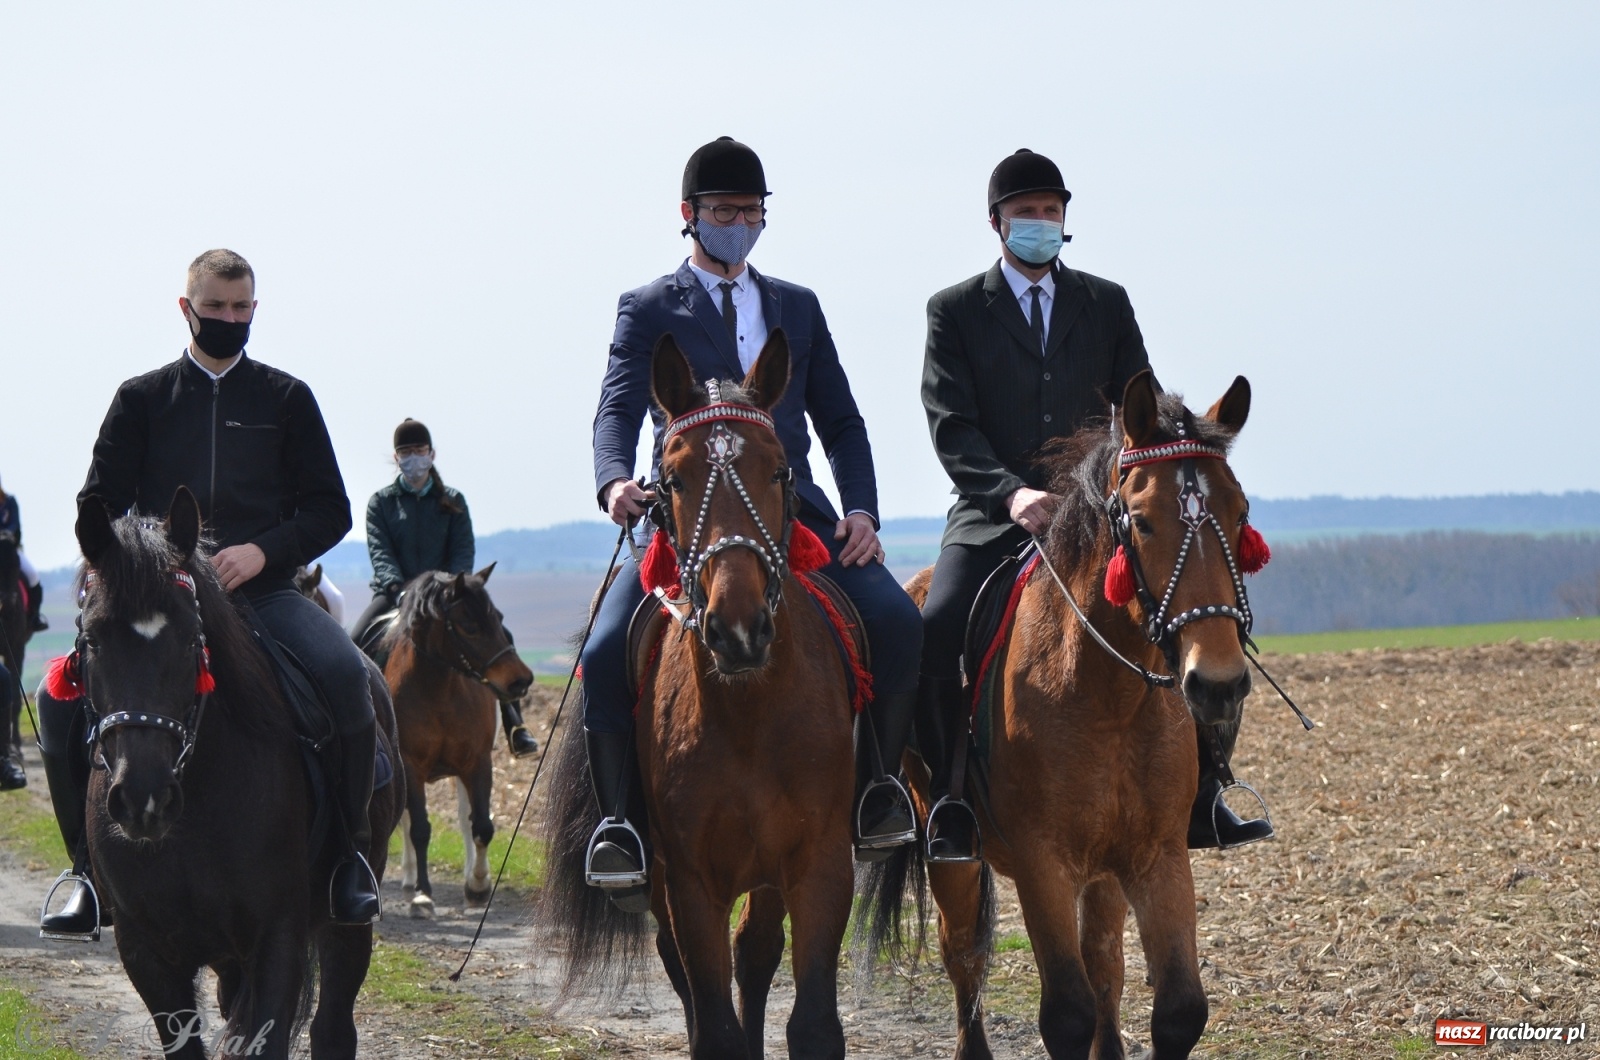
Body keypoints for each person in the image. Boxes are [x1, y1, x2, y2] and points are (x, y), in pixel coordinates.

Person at [583, 136, 923, 902]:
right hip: (684, 511)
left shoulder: (796, 307)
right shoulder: (646, 308)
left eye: (751, 210)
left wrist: (862, 509)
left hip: (784, 507)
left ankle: (878, 793)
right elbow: (616, 411)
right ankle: (620, 828)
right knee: (606, 650)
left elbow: (842, 421)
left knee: (898, 624)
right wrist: (612, 483)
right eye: (724, 210)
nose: (739, 222)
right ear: (689, 216)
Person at [918, 148, 1274, 861]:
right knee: (933, 629)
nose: (1041, 224)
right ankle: (948, 803)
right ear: (998, 223)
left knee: (1186, 615)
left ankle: (1205, 791)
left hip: (1097, 514)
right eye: (1027, 214)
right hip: (995, 515)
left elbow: (1141, 400)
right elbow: (950, 424)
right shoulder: (954, 310)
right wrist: (1011, 493)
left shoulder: (1104, 302)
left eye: (1052, 213)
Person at [37, 248, 382, 939]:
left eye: (241, 307)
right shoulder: (141, 399)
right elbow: (98, 501)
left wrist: (263, 552)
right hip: (158, 600)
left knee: (350, 677)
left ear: (255, 309)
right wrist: (147, 558)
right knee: (54, 700)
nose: (229, 318)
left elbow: (330, 510)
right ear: (186, 308)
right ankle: (85, 874)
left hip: (269, 596)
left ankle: (349, 860)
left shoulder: (288, 398)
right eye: (216, 307)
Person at [354, 419, 538, 757]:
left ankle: (515, 724)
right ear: (396, 458)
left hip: (447, 595)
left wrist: (450, 588)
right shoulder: (380, 503)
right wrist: (400, 588)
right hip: (395, 593)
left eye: (419, 451)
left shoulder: (453, 500)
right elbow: (381, 553)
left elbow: (462, 551)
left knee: (500, 635)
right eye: (406, 452)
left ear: (431, 453)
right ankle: (359, 729)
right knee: (355, 642)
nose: (413, 458)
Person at [0, 478, 48, 632]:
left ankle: (34, 617)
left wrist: (6, 534)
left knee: (33, 576)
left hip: (9, 550)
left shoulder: (10, 501)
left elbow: (15, 524)